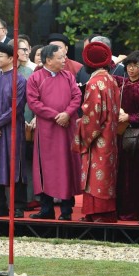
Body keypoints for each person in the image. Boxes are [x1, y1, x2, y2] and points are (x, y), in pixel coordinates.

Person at [26, 43, 82, 220]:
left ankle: (66, 210)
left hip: (66, 129)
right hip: (47, 130)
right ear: (49, 60)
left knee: (66, 166)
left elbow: (77, 96)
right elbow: (34, 103)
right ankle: (46, 208)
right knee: (45, 168)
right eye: (60, 57)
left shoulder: (68, 76)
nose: (64, 60)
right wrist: (57, 115)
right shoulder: (35, 78)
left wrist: (67, 113)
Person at [74, 41, 122, 223]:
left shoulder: (94, 83)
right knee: (106, 172)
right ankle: (105, 212)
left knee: (95, 174)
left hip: (97, 136)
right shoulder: (110, 80)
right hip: (110, 134)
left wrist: (84, 136)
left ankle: (97, 212)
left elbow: (92, 116)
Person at [0, 41, 28, 217]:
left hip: (12, 130)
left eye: (0, 56)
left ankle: (17, 207)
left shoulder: (19, 80)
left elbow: (16, 107)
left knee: (14, 165)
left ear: (11, 58)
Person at [117, 51, 139, 221]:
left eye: (136, 65)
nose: (131, 69)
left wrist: (130, 117)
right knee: (122, 174)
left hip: (138, 138)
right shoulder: (121, 84)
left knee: (138, 176)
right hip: (121, 135)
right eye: (129, 65)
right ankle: (122, 210)